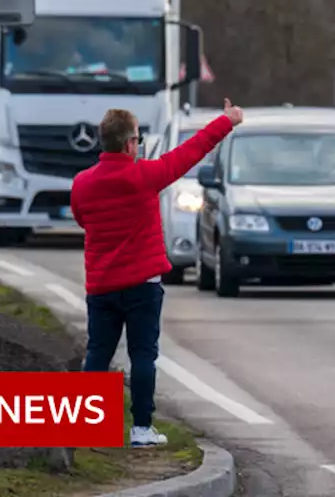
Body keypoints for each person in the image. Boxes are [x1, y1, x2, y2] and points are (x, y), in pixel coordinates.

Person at [71, 99, 243, 448]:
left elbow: (82, 219)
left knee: (98, 354)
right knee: (143, 355)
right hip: (142, 286)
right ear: (130, 144)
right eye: (137, 139)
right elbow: (191, 152)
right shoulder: (145, 176)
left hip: (101, 285)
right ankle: (142, 429)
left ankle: (86, 428)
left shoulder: (82, 184)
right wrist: (226, 121)